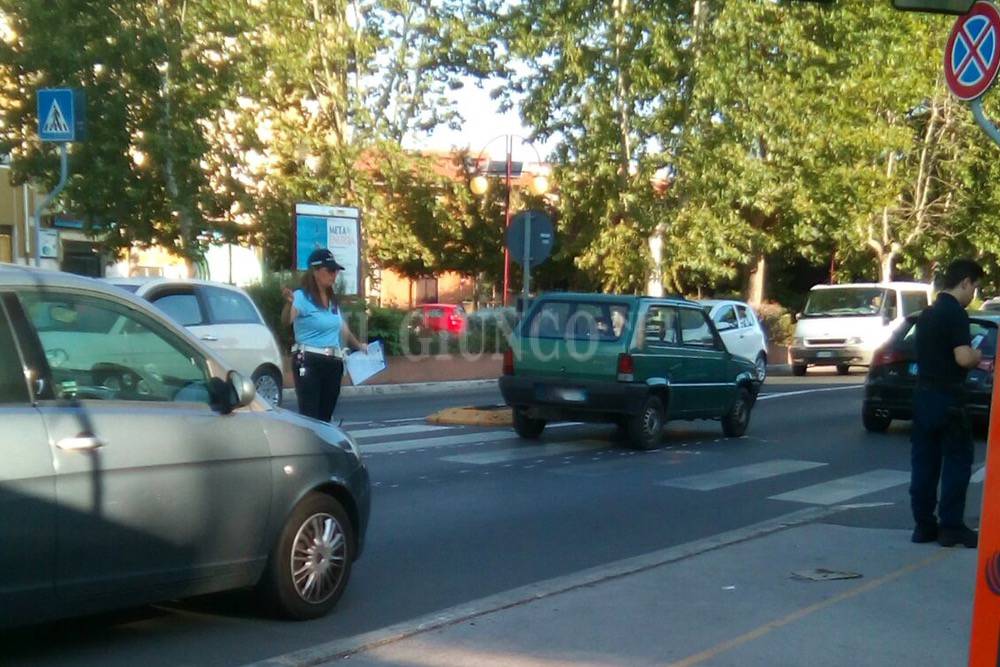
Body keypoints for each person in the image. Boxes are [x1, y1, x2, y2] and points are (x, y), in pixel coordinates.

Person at [910, 258, 984, 548]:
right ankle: (951, 527)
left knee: (924, 464)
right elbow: (963, 357)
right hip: (949, 397)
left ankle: (923, 525)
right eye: (975, 288)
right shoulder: (955, 313)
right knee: (956, 462)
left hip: (923, 396)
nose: (974, 294)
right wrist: (978, 357)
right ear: (965, 282)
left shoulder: (927, 315)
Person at [282, 248, 367, 422]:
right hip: (309, 359)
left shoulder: (331, 299)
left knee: (325, 416)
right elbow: (286, 321)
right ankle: (310, 448)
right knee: (311, 415)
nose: (334, 275)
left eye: (336, 270)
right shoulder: (301, 296)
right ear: (315, 271)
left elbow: (340, 325)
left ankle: (325, 448)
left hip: (333, 362)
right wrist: (288, 304)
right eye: (329, 270)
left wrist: (358, 345)